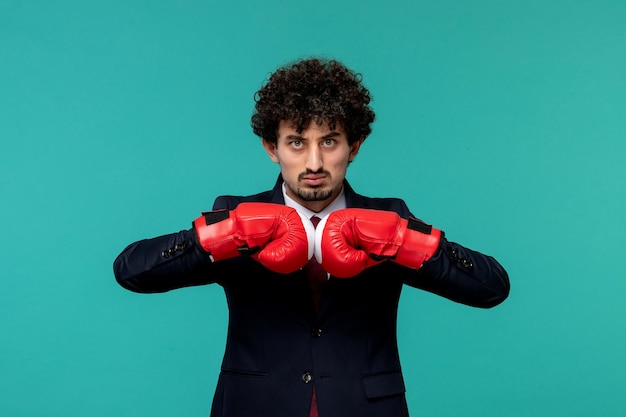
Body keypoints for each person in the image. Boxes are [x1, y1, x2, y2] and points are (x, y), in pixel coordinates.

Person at [113, 57, 510, 417]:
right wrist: (220, 235)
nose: (314, 162)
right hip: (255, 408)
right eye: (297, 142)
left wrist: (408, 241)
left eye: (330, 142)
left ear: (354, 147)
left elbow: (491, 287)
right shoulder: (235, 214)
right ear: (272, 148)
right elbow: (131, 270)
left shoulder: (389, 217)